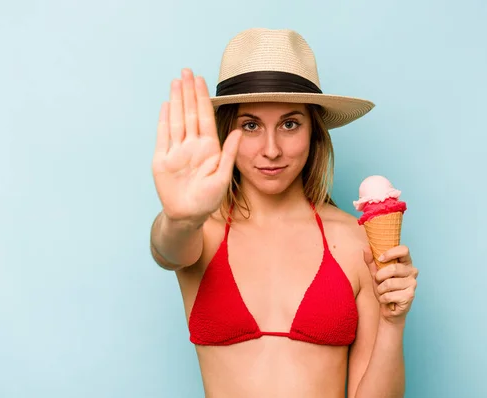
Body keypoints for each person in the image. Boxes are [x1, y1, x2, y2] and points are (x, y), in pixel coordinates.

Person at [150, 28, 419, 398]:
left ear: (314, 132)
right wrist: (179, 217)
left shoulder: (355, 238)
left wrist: (393, 321)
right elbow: (167, 250)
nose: (271, 150)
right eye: (251, 126)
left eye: (290, 124)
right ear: (227, 130)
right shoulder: (199, 232)